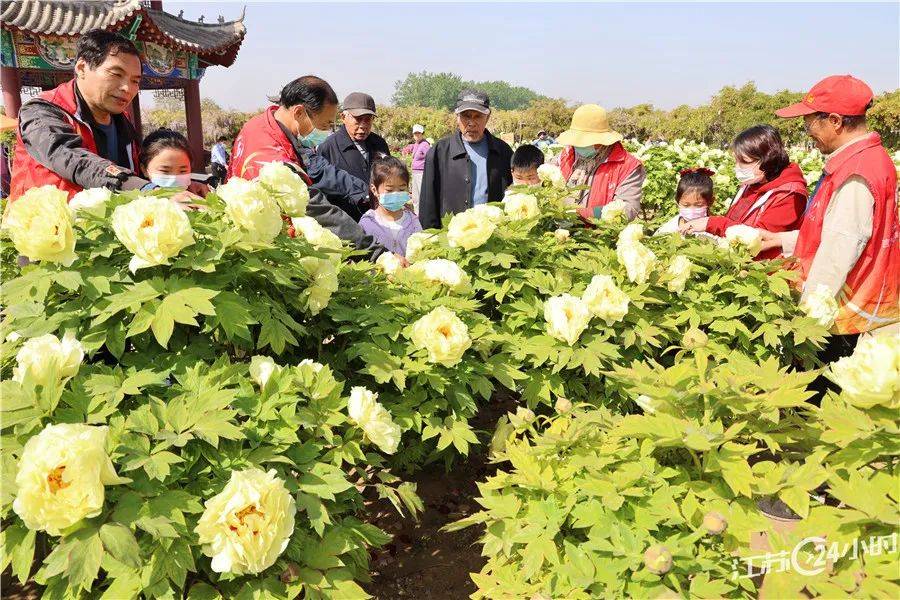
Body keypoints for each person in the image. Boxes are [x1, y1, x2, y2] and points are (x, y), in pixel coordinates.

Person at [760, 74, 898, 355]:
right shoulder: (868, 159)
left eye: (810, 121)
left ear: (835, 121)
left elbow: (839, 250)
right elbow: (838, 230)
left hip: (844, 318)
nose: (807, 129)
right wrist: (780, 240)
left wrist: (804, 320)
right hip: (853, 310)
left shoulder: (856, 173)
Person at [228, 75, 388, 259]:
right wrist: (377, 253)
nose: (328, 131)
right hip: (260, 247)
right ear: (299, 113)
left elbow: (318, 168)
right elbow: (316, 208)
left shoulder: (260, 124)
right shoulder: (272, 158)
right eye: (325, 124)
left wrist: (365, 191)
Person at [10, 29, 149, 199]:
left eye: (135, 81)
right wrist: (139, 187)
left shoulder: (122, 119)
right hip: (45, 223)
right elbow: (69, 156)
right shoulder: (40, 111)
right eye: (116, 74)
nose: (127, 88)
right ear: (82, 68)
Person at [679, 125, 807, 259]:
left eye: (744, 162)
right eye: (736, 161)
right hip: (737, 260)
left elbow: (758, 239)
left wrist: (712, 223)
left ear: (768, 160)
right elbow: (734, 220)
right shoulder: (753, 182)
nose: (737, 168)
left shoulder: (789, 195)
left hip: (763, 272)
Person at [419, 89, 513, 229]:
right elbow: (428, 205)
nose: (471, 123)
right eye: (466, 116)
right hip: (451, 238)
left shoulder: (503, 152)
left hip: (492, 237)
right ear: (457, 116)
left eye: (478, 116)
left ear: (487, 117)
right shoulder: (439, 152)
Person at [554, 104, 645, 222]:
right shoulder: (566, 155)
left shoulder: (628, 166)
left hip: (599, 236)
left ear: (602, 141)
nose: (580, 145)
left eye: (586, 141)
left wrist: (581, 214)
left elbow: (627, 209)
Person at [316, 93, 391, 219]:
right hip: (345, 222)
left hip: (379, 219)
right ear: (343, 117)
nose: (363, 125)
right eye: (357, 119)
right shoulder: (328, 148)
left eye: (368, 119)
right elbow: (322, 191)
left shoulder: (379, 143)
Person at [359, 156, 422, 256]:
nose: (396, 194)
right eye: (389, 190)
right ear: (374, 190)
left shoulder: (413, 221)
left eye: (401, 189)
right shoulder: (367, 223)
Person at [654, 168, 715, 236]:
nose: (692, 210)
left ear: (710, 202)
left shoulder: (716, 231)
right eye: (686, 205)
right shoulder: (668, 230)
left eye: (698, 205)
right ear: (677, 202)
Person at [401, 124, 430, 212]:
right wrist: (406, 149)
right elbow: (412, 147)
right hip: (415, 173)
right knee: (415, 196)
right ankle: (417, 214)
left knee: (422, 195)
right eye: (415, 133)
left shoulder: (425, 145)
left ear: (422, 134)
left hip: (421, 173)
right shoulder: (417, 144)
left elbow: (431, 157)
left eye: (419, 133)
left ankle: (424, 214)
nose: (417, 135)